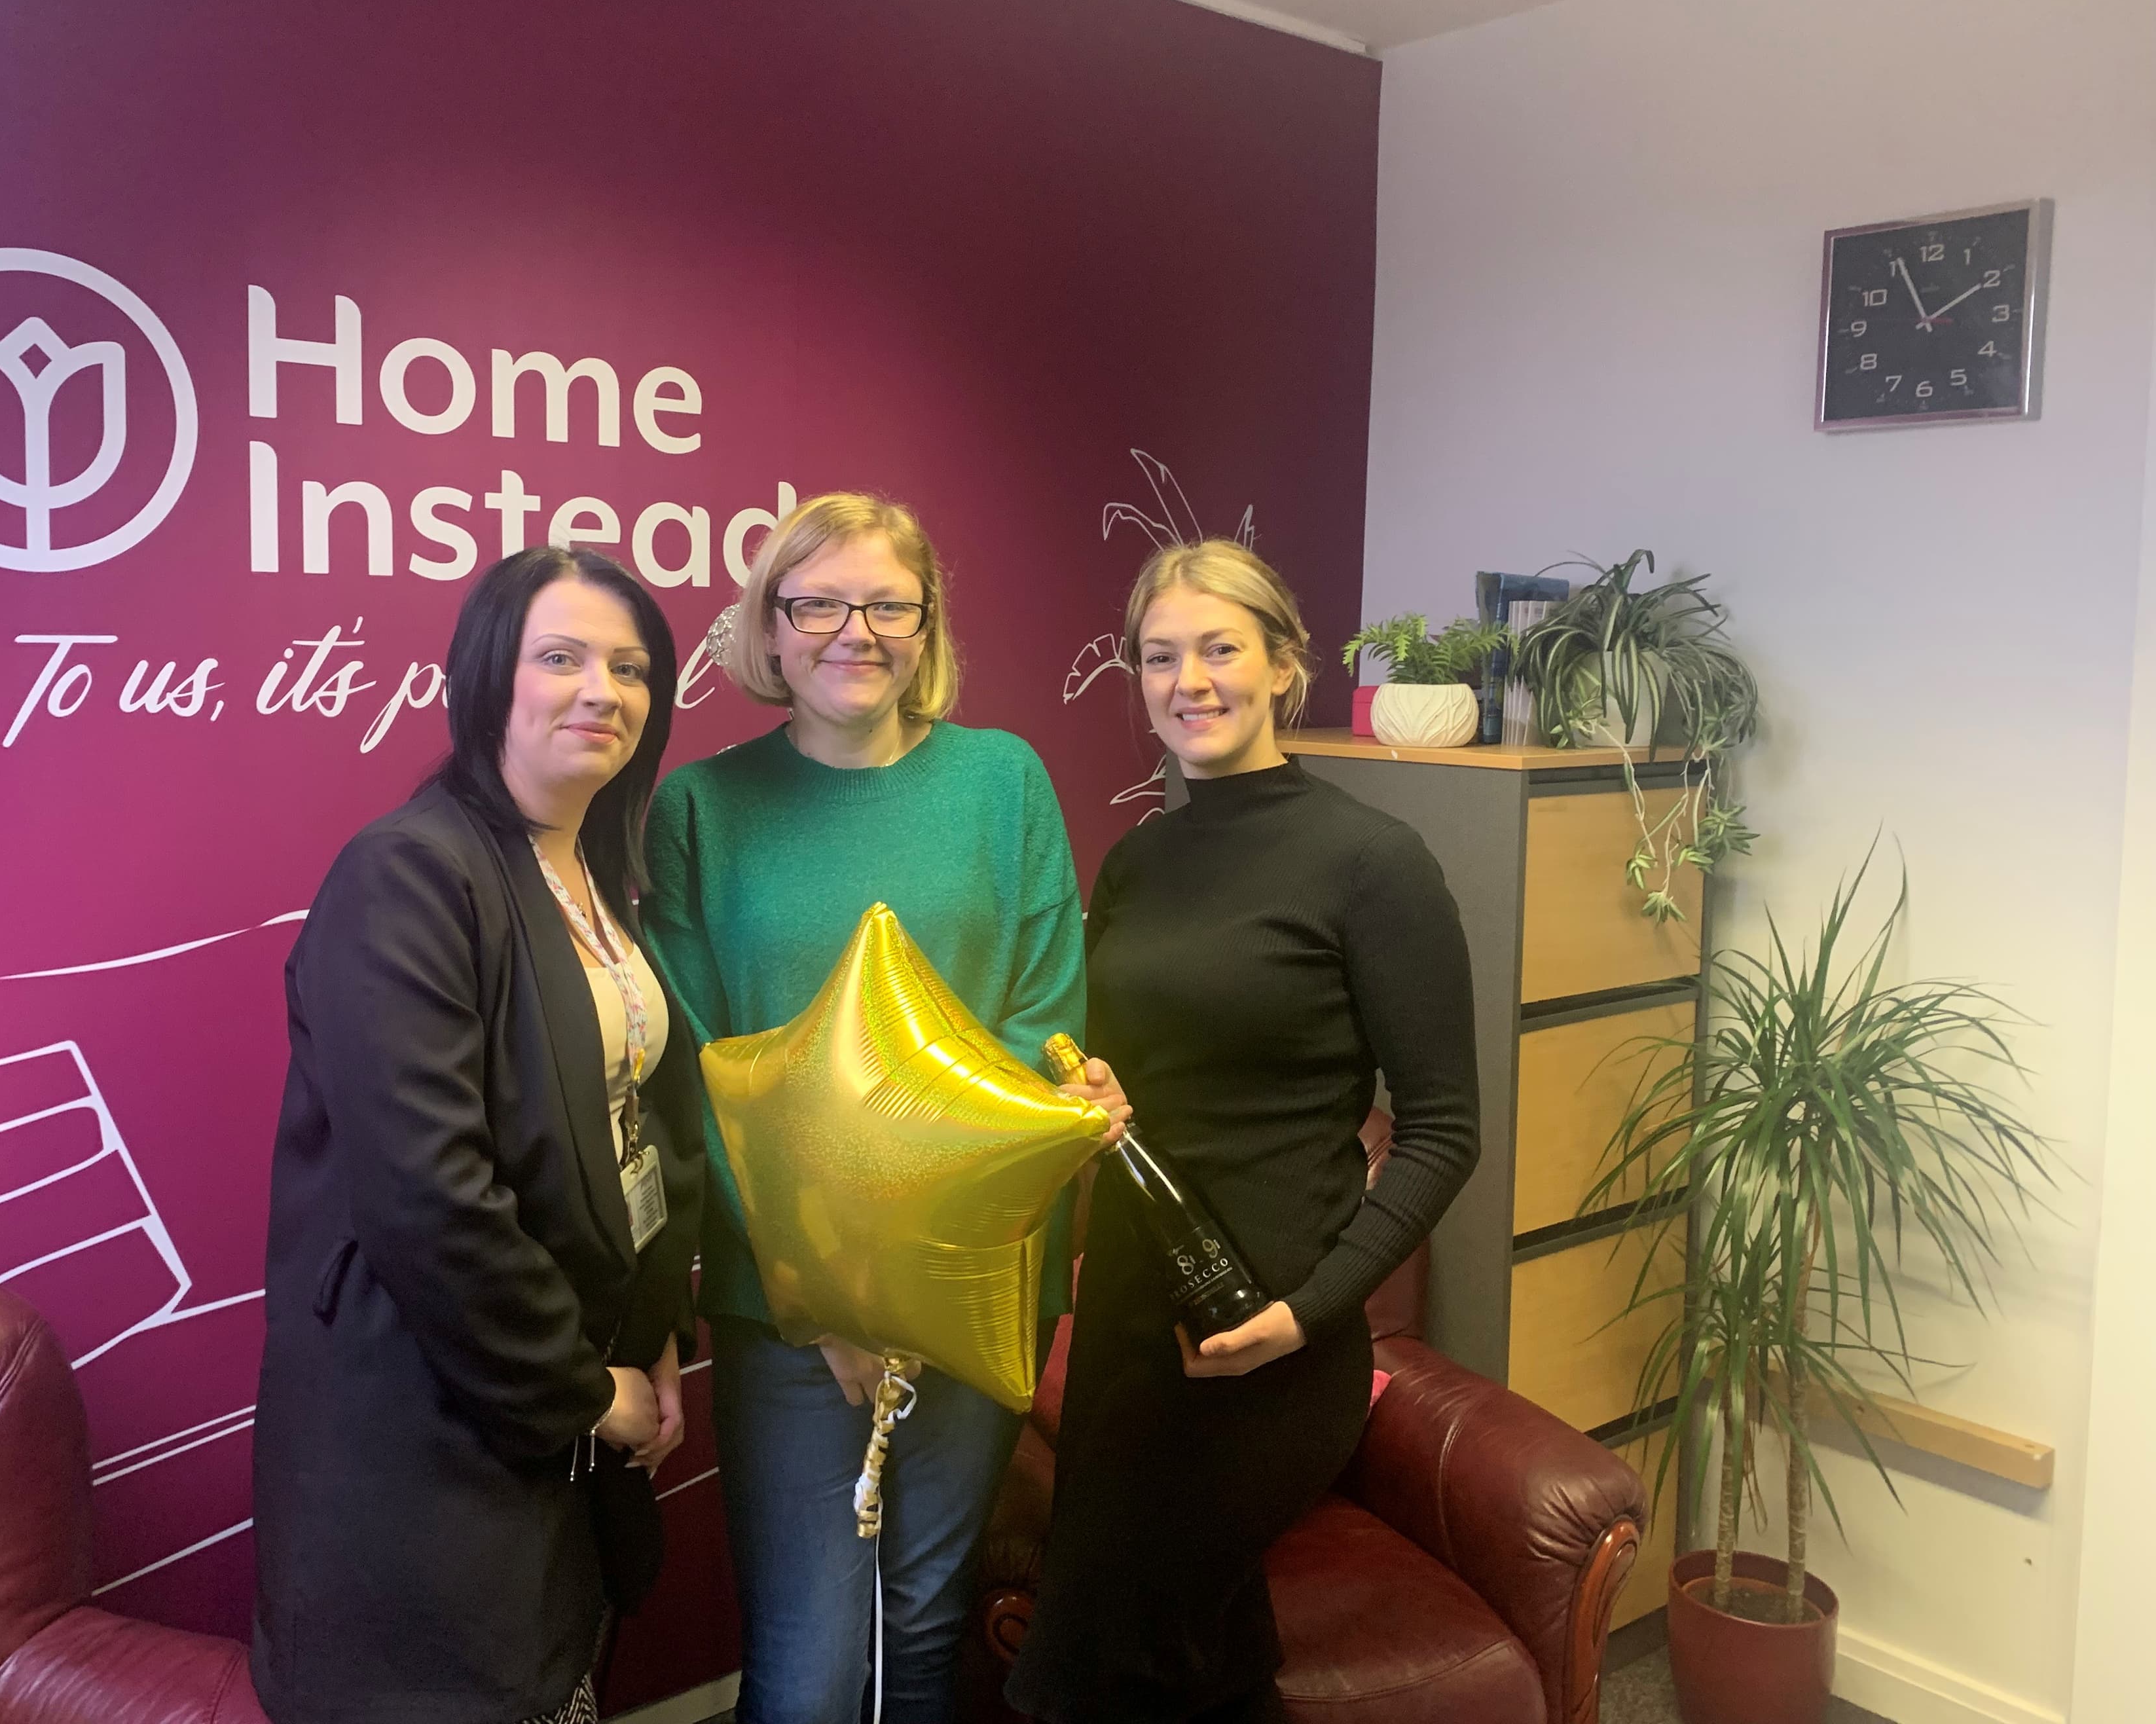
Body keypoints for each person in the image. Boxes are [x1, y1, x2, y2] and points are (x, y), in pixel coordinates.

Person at [641, 492, 1129, 1724]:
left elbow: (1038, 1023)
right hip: (791, 1308)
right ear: (771, 624)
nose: (853, 632)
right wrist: (836, 1297)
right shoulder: (702, 807)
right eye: (817, 604)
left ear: (927, 625)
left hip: (979, 1275)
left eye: (887, 605)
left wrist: (915, 1269)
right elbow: (703, 1070)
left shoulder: (1003, 781)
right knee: (809, 1668)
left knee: (922, 1629)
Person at [1004, 540, 1482, 1724]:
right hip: (1130, 1317)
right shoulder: (1139, 860)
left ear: (1284, 664)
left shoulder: (1373, 863)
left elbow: (1443, 1131)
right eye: (1160, 657)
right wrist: (1085, 1095)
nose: (1190, 682)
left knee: (1098, 1664)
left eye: (1220, 649)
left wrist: (1310, 1312)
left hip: (1274, 1339)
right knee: (1197, 1661)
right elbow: (1127, 1065)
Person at [251, 547, 706, 1724]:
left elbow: (631, 1136)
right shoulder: (407, 873)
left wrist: (654, 1338)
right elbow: (430, 1195)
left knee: (556, 1683)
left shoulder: (589, 875)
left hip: (562, 1414)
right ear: (488, 676)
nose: (603, 690)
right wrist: (579, 1390)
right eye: (562, 658)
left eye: (631, 668)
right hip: (431, 1429)